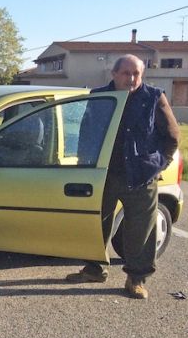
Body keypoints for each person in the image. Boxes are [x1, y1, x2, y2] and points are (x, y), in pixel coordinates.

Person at [66, 54, 179, 299]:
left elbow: (171, 136)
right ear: (114, 74)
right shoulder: (99, 96)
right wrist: (84, 164)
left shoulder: (153, 97)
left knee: (141, 229)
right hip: (103, 174)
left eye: (136, 73)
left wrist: (158, 165)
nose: (131, 78)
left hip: (141, 175)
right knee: (95, 222)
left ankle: (136, 279)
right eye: (126, 73)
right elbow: (86, 131)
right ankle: (94, 269)